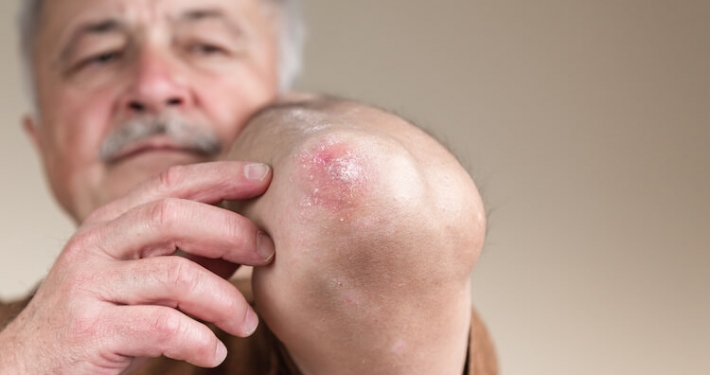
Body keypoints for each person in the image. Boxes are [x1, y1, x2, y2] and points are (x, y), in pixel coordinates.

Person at [0, 0, 498, 374]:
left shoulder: (333, 320)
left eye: (207, 47)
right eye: (100, 56)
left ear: (283, 107)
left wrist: (272, 126)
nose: (153, 87)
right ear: (41, 140)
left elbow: (362, 184)